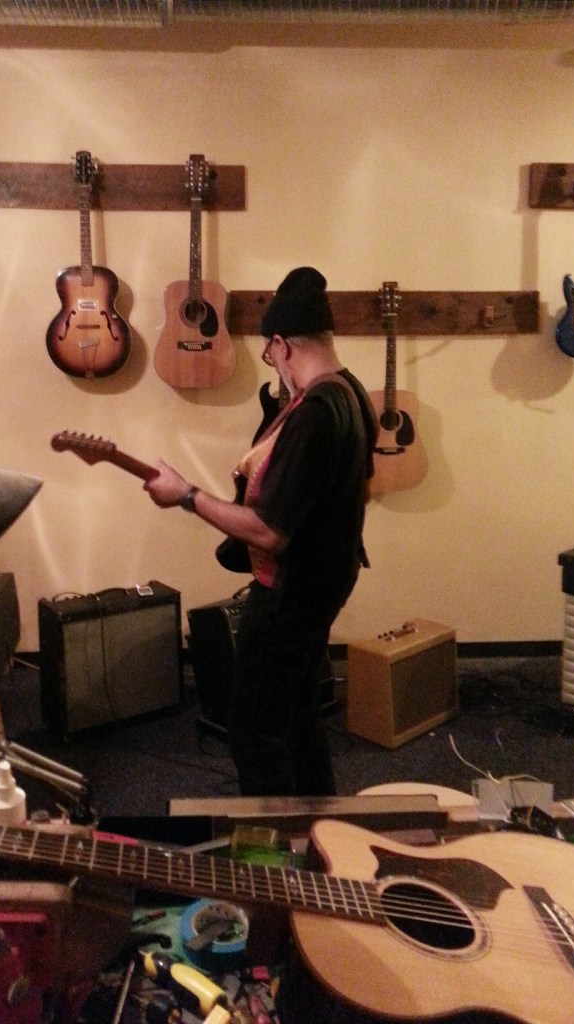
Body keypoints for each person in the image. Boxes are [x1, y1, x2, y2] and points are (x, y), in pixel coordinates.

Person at [144, 267, 377, 796]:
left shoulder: (318, 412)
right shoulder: (350, 392)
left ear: (281, 345)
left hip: (290, 596)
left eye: (271, 356)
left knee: (254, 733)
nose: (273, 367)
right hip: (326, 581)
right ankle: (321, 831)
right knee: (297, 718)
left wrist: (185, 495)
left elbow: (268, 532)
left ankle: (272, 863)